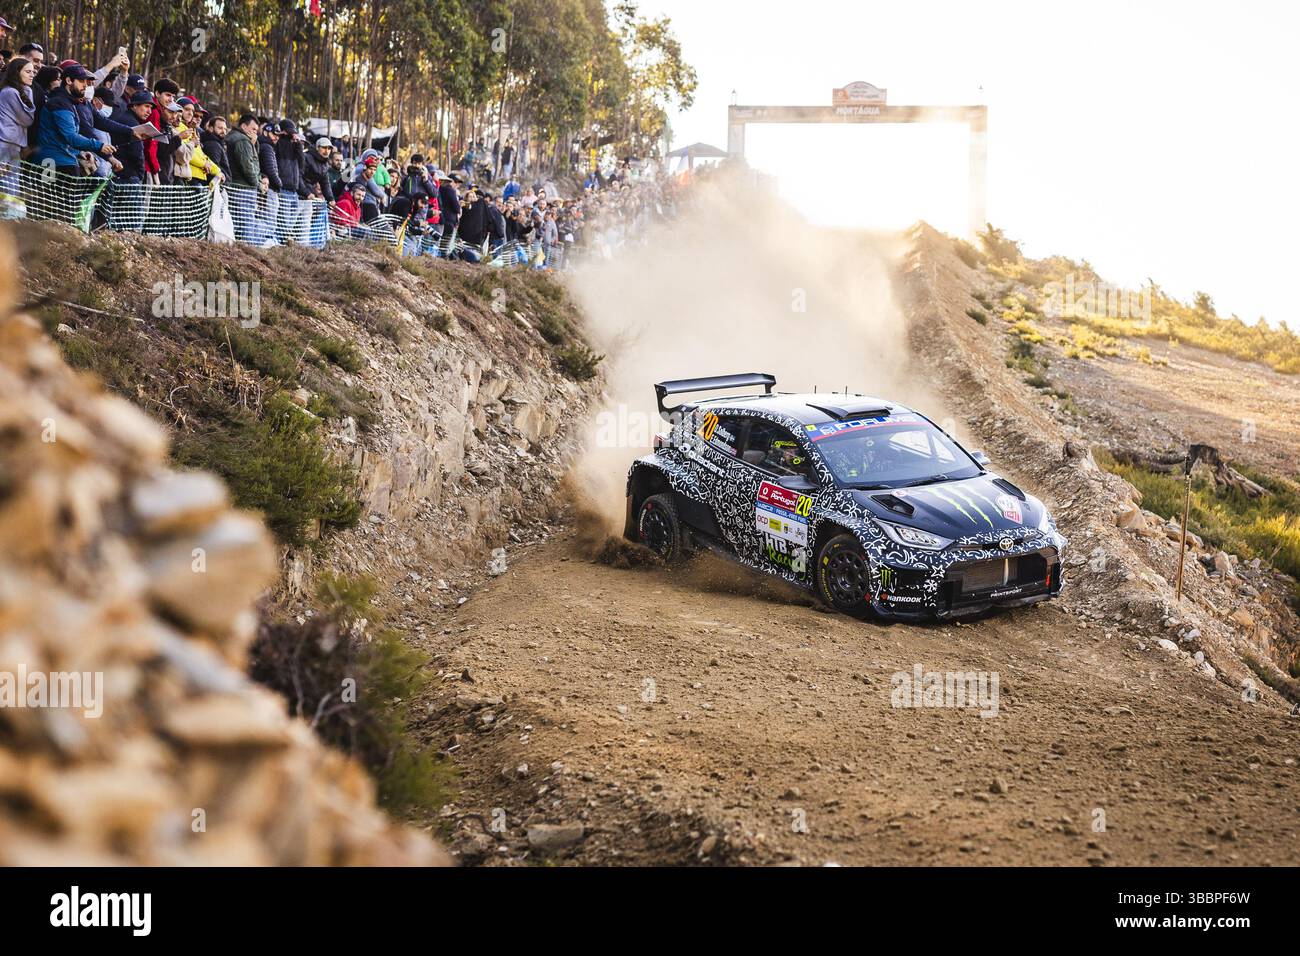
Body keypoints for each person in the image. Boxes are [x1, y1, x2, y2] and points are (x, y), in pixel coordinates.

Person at [32, 63, 114, 177]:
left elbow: (64, 139)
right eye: (81, 81)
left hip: (65, 161)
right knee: (49, 196)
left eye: (86, 82)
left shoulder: (70, 102)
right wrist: (99, 146)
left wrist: (79, 152)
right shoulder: (59, 103)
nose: (85, 85)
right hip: (53, 163)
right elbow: (70, 136)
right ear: (69, 81)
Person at [224, 112, 272, 244]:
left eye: (257, 130)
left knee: (236, 222)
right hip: (244, 188)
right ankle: (248, 251)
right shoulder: (242, 140)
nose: (256, 133)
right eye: (253, 129)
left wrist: (254, 144)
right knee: (246, 224)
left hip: (233, 186)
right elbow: (249, 166)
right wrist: (258, 184)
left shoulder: (233, 136)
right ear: (244, 126)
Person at [0, 55, 34, 217]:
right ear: (16, 72)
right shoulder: (11, 92)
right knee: (7, 190)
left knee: (11, 191)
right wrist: (28, 91)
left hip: (13, 147)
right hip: (4, 146)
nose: (32, 74)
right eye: (27, 71)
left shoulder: (14, 91)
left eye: (33, 71)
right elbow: (27, 118)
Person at [199, 114, 231, 181]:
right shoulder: (213, 145)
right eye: (220, 128)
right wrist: (226, 179)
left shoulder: (218, 143)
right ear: (211, 129)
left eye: (225, 129)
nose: (223, 131)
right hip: (218, 185)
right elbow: (214, 166)